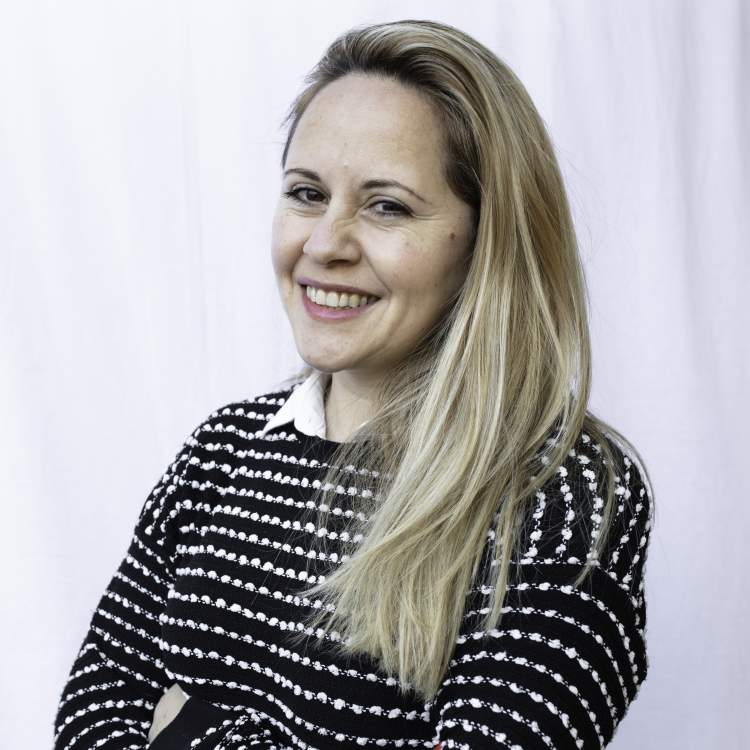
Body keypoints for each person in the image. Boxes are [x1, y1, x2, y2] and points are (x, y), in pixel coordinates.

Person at [53, 18, 655, 750]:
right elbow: (90, 715)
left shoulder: (561, 488)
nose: (324, 244)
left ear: (486, 240)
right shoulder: (220, 452)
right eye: (307, 193)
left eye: (386, 205)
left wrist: (183, 729)